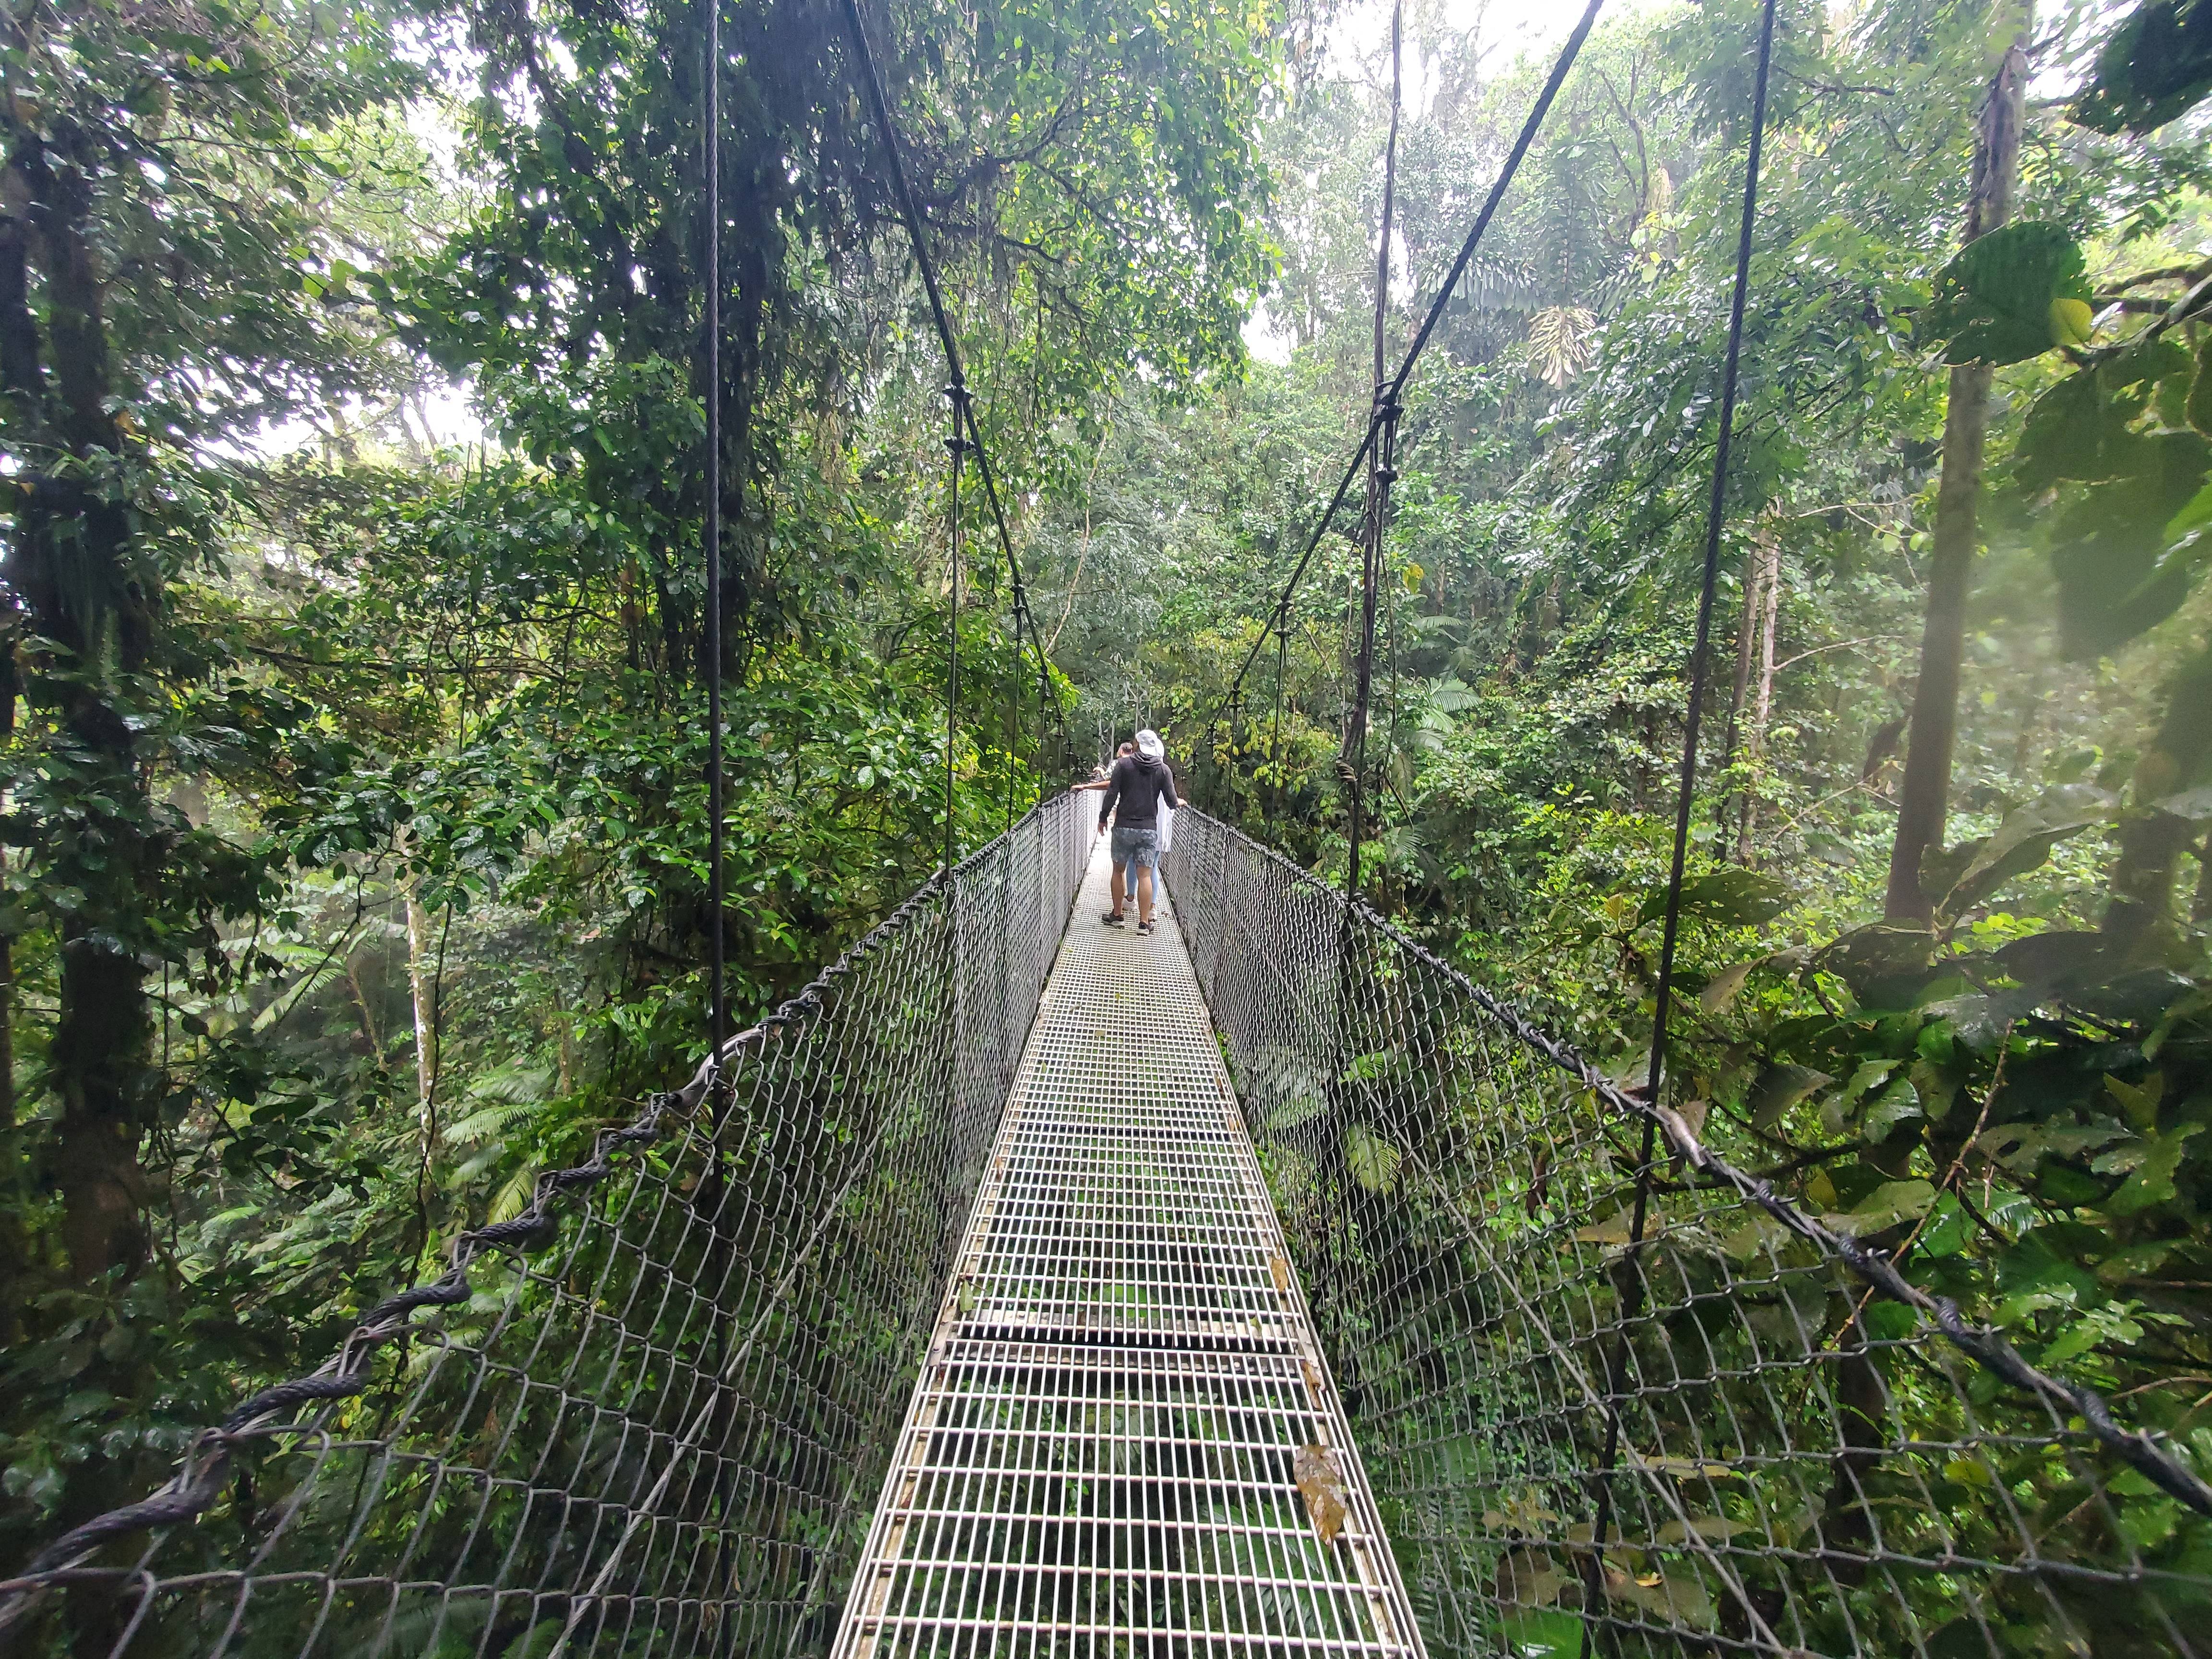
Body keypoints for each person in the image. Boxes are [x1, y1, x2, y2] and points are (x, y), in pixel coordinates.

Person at [1096, 729, 1178, 935]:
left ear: (1138, 744)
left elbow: (1112, 793)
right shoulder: (1163, 769)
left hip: (1123, 826)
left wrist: (1103, 818)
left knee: (1118, 871)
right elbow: (1172, 802)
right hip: (1148, 830)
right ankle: (1144, 923)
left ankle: (1117, 915)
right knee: (1145, 876)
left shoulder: (1124, 765)